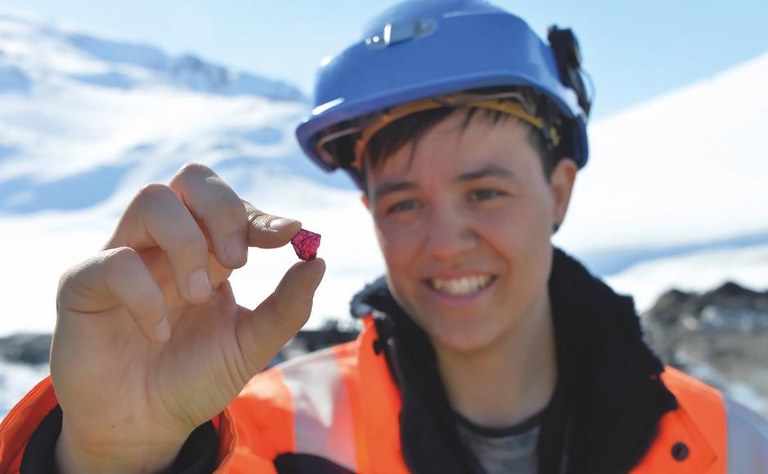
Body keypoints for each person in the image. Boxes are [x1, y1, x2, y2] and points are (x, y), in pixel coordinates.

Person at [1, 0, 767, 472]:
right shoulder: (257, 437)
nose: (444, 240)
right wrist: (112, 457)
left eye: (486, 192)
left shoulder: (733, 450)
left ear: (559, 189)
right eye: (402, 203)